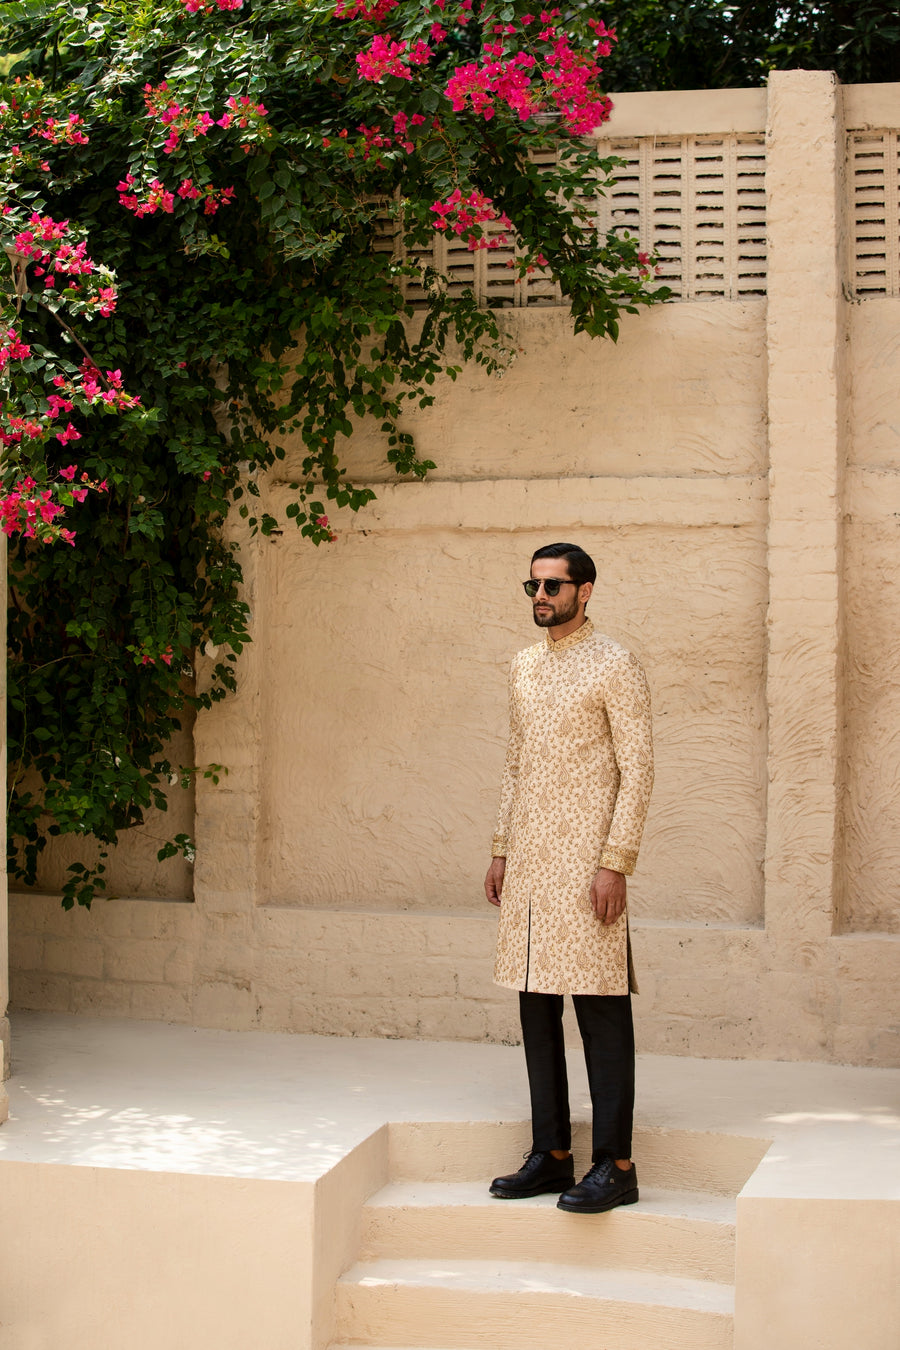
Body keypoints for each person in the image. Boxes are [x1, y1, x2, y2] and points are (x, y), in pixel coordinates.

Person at [484, 542, 654, 1214]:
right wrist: (501, 848)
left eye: (554, 585)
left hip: (587, 863)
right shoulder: (524, 666)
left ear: (586, 591)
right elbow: (515, 763)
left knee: (600, 1006)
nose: (541, 596)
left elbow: (638, 770)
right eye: (533, 584)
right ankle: (551, 1154)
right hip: (529, 862)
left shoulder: (616, 663)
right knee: (535, 1001)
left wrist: (616, 862)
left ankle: (617, 1163)